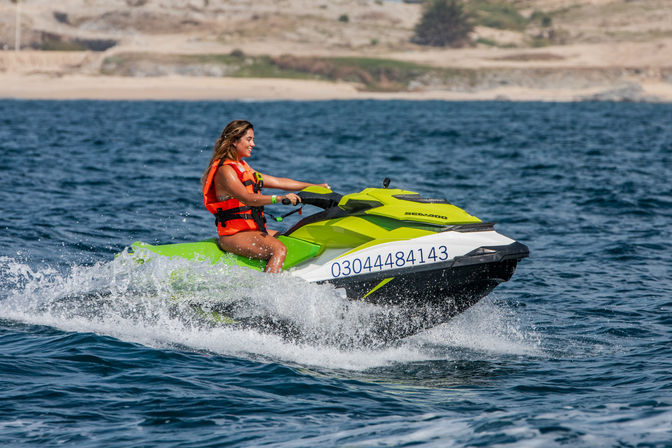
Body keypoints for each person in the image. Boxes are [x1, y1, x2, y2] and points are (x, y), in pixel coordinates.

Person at [202, 120, 329, 273]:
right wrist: (279, 198)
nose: (253, 144)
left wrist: (314, 186)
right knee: (278, 249)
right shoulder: (225, 171)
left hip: (251, 231)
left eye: (253, 140)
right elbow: (247, 198)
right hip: (234, 235)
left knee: (291, 237)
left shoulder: (244, 168)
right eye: (249, 139)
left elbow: (280, 182)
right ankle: (269, 293)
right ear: (235, 141)